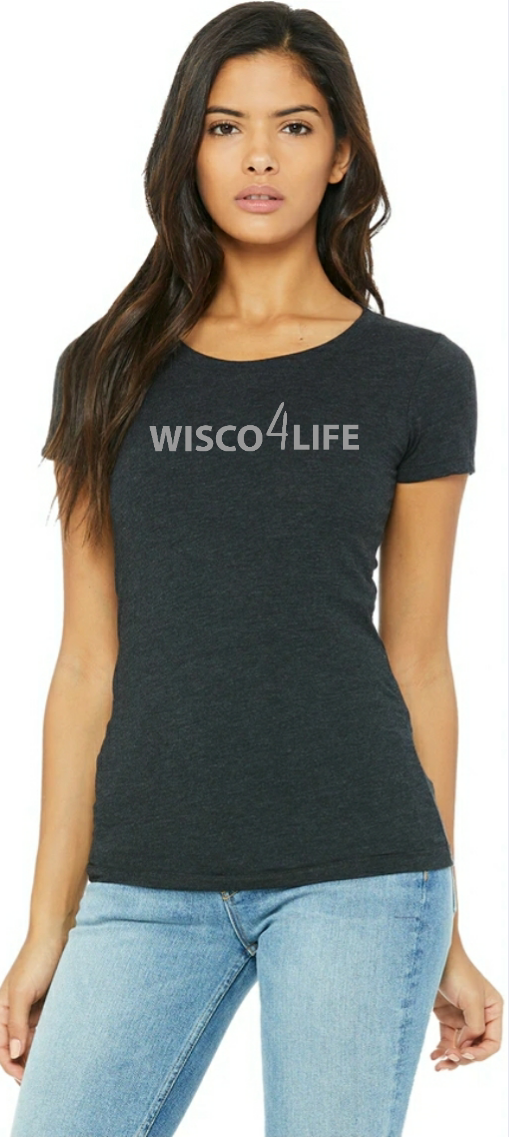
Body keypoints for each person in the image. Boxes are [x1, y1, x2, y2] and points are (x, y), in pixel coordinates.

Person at [1, 4, 503, 1136]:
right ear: (188, 149)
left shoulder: (419, 375)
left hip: (362, 873)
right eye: (225, 126)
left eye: (294, 126)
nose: (259, 157)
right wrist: (44, 928)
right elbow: (85, 666)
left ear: (341, 155)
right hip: (142, 881)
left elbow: (418, 662)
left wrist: (446, 927)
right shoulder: (103, 372)